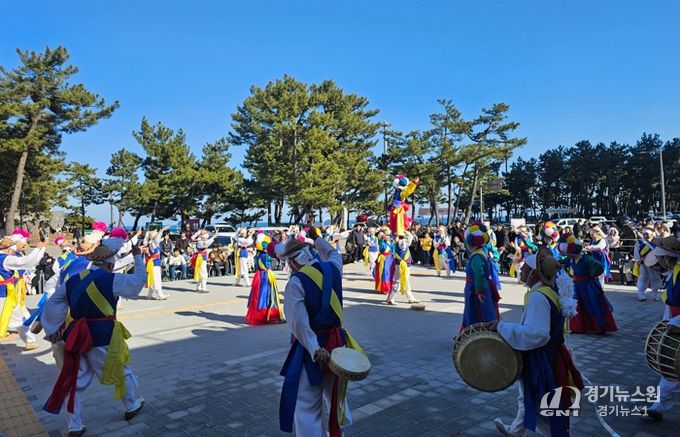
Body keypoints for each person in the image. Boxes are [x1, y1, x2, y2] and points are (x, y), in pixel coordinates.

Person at [41, 238, 147, 437]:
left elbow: (53, 302)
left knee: (75, 381)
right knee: (121, 371)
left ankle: (74, 426)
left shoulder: (73, 280)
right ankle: (132, 405)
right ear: (110, 264)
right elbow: (139, 281)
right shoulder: (112, 279)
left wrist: (53, 330)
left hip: (75, 336)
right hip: (102, 335)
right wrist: (138, 257)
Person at [277, 225, 363, 436]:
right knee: (335, 398)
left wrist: (315, 349)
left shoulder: (296, 282)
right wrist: (317, 238)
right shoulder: (334, 267)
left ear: (293, 261)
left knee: (307, 406)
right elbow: (333, 253)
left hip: (312, 351)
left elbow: (299, 324)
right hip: (338, 346)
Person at [493, 248, 583, 437]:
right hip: (549, 355)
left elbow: (537, 334)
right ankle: (516, 431)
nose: (521, 270)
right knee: (531, 399)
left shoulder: (538, 297)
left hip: (542, 358)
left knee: (541, 402)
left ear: (534, 274)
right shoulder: (548, 292)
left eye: (525, 268)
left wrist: (501, 327)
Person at [559, 233, 617, 334]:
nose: (567, 255)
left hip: (588, 286)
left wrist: (591, 274)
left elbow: (599, 267)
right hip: (577, 286)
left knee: (592, 305)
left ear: (575, 253)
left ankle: (599, 327)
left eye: (569, 253)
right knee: (578, 306)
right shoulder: (571, 259)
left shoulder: (586, 259)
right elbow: (561, 261)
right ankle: (578, 328)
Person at [0, 233, 46, 350]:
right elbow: (25, 262)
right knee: (19, 318)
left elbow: (27, 262)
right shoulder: (5, 259)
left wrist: (40, 249)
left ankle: (29, 341)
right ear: (10, 249)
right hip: (4, 295)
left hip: (8, 294)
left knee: (20, 317)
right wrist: (38, 249)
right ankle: (29, 341)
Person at [461, 222, 499, 329]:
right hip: (482, 286)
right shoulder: (482, 251)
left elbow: (479, 274)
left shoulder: (476, 256)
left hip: (475, 289)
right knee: (486, 310)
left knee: (476, 313)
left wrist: (479, 291)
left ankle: (476, 332)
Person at [246, 233, 283, 325]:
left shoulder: (258, 254)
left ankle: (262, 314)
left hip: (260, 275)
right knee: (268, 295)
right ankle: (269, 315)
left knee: (259, 295)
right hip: (266, 276)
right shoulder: (265, 255)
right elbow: (268, 265)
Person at [385, 231, 420, 305]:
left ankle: (410, 298)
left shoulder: (398, 241)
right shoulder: (402, 242)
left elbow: (409, 237)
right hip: (402, 265)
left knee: (406, 281)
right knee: (398, 281)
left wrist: (401, 231)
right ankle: (390, 298)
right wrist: (403, 230)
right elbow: (410, 237)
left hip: (402, 264)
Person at [634, 226, 662, 302]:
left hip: (654, 264)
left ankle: (655, 294)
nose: (645, 235)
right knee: (643, 278)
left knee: (655, 278)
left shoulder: (655, 242)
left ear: (651, 234)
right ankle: (641, 294)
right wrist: (638, 260)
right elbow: (636, 251)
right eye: (644, 234)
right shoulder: (640, 242)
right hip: (643, 263)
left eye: (647, 234)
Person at [143, 227, 168, 300]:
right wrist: (161, 230)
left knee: (153, 278)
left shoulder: (151, 243)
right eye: (154, 233)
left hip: (154, 263)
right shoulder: (153, 243)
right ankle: (160, 294)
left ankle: (149, 295)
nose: (156, 234)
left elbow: (158, 238)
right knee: (157, 279)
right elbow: (157, 238)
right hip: (154, 263)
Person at [373, 227, 396, 294]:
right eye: (386, 236)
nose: (387, 237)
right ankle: (384, 288)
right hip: (384, 259)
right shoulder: (381, 242)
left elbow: (394, 250)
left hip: (391, 259)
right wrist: (382, 232)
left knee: (391, 273)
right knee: (384, 273)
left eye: (388, 236)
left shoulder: (392, 243)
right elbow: (379, 236)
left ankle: (389, 287)